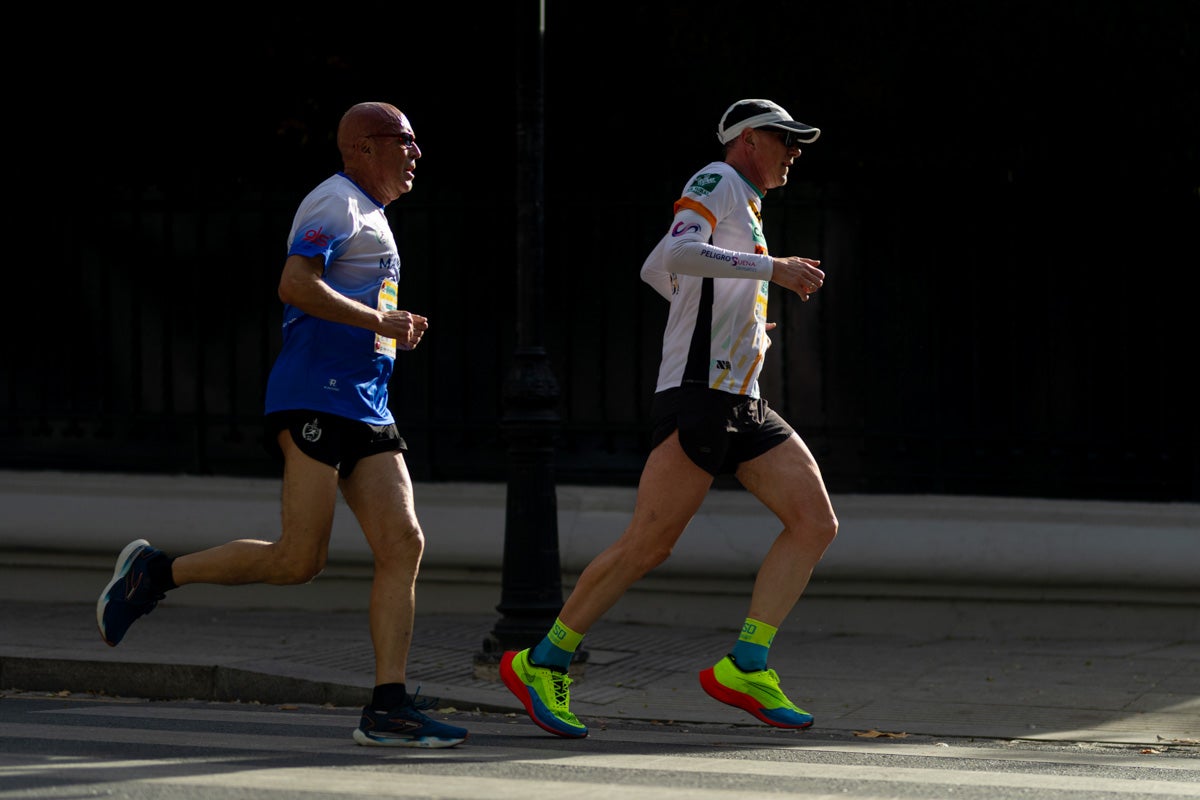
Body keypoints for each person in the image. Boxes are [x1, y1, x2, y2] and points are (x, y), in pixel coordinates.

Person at [96, 101, 468, 749]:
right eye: (403, 141)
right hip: (316, 398)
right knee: (299, 559)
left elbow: (347, 301)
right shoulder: (334, 202)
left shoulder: (372, 214)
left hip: (367, 403)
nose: (415, 153)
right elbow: (295, 285)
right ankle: (155, 573)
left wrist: (386, 329)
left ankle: (388, 706)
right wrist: (381, 321)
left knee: (403, 543)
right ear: (363, 147)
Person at [500, 99, 839, 738]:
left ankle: (746, 665)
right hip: (699, 394)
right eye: (784, 139)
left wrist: (734, 315)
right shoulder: (717, 178)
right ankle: (541, 661)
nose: (794, 152)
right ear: (747, 140)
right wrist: (772, 271)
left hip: (743, 397)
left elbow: (654, 266)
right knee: (648, 544)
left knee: (815, 522)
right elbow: (680, 254)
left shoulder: (746, 200)